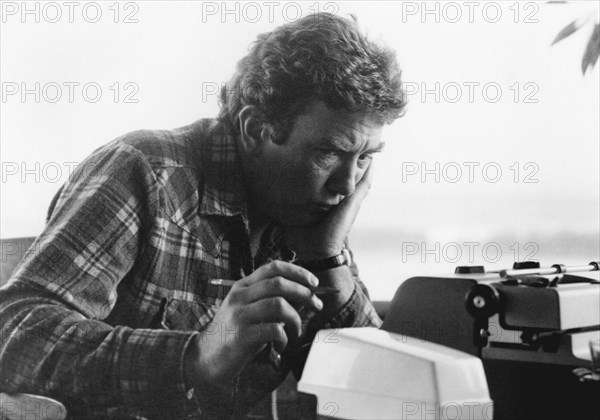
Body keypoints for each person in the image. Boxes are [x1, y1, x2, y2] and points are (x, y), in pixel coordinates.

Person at [0, 12, 405, 419]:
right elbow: (14, 334)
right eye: (327, 152)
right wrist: (195, 357)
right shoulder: (146, 172)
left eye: (365, 158)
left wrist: (329, 258)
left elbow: (380, 392)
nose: (347, 186)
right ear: (253, 128)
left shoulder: (312, 216)